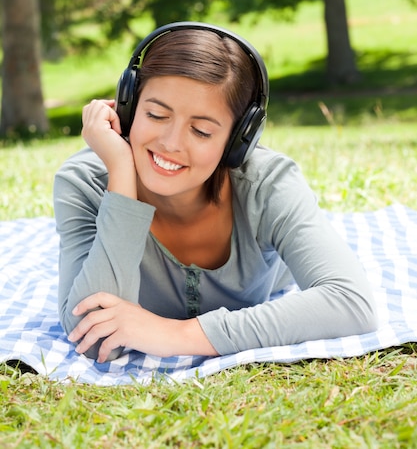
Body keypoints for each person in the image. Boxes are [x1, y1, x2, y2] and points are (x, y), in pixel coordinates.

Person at [54, 21, 377, 364]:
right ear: (128, 106)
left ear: (239, 140)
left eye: (202, 131)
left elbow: (350, 301)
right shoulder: (84, 182)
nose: (171, 143)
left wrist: (174, 334)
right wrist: (120, 174)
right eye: (155, 114)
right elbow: (91, 336)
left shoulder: (268, 184)